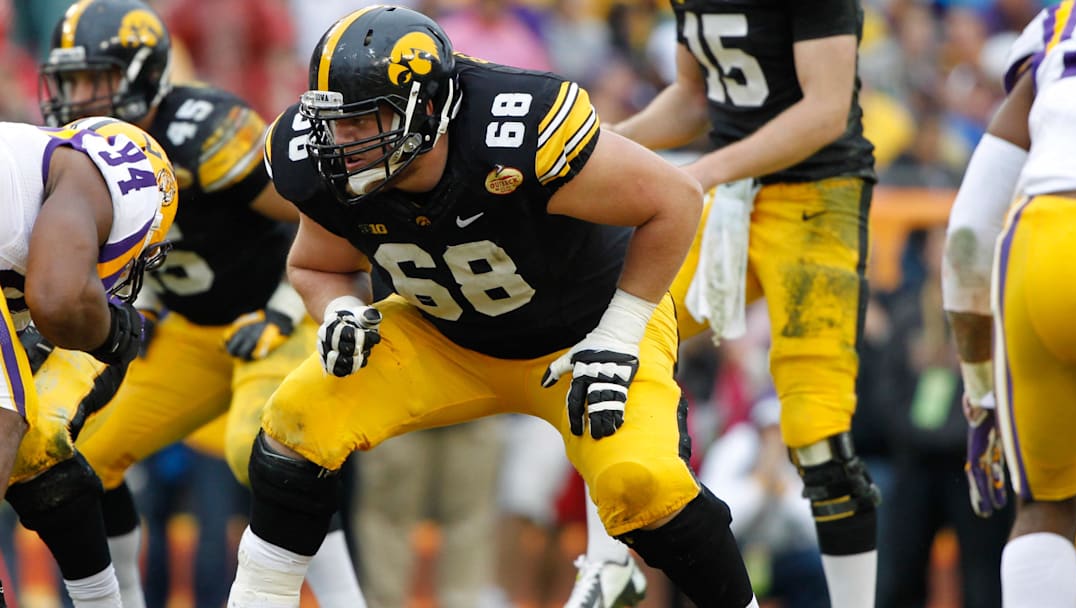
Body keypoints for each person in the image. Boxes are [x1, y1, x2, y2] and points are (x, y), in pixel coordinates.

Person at [231, 5, 758, 608]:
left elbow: (677, 197)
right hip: (442, 336)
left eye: (364, 120)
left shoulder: (516, 126)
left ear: (428, 108)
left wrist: (621, 330)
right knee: (297, 421)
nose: (342, 140)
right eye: (334, 122)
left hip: (585, 335)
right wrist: (338, 312)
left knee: (643, 484)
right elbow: (316, 265)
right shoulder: (322, 161)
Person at [35, 1, 366, 606]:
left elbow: (322, 221)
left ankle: (349, 603)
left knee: (264, 449)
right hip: (187, 328)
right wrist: (150, 299)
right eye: (68, 81)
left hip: (270, 314)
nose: (77, 98)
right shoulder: (79, 151)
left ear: (143, 74)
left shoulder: (205, 130)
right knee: (85, 451)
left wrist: (283, 307)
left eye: (95, 79)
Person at [608, 1, 880, 606]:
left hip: (818, 194)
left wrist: (699, 173)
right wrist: (600, 145)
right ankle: (609, 564)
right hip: (735, 196)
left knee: (818, 431)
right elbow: (694, 97)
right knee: (616, 342)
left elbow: (825, 110)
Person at [2, 115, 176, 607]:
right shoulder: (109, 176)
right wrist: (107, 333)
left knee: (37, 449)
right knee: (10, 414)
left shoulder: (31, 181)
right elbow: (56, 301)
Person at [943, 3, 1076, 604]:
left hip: (1043, 239)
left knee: (1045, 505)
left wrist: (980, 395)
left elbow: (970, 230)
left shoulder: (1060, 22)